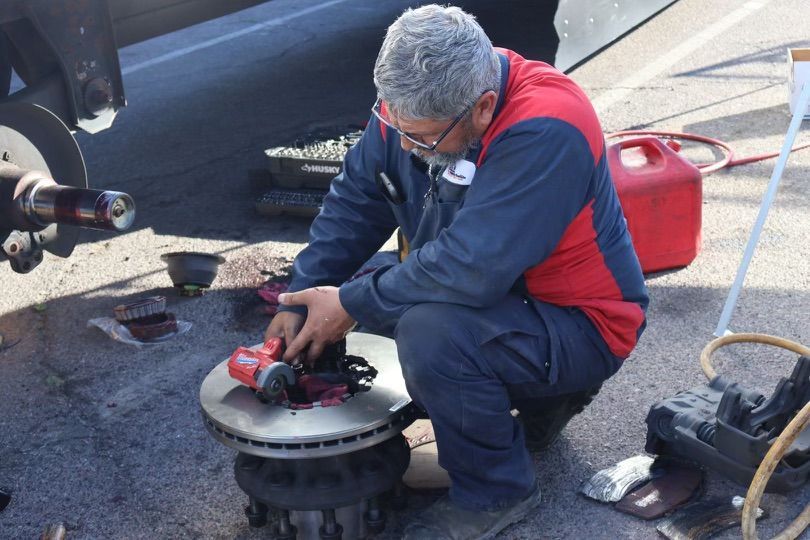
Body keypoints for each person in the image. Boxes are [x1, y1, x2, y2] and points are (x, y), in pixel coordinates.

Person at [265, 5, 648, 539]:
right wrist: (301, 294)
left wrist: (350, 305)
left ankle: (497, 490)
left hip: (580, 326)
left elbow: (472, 269)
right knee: (361, 299)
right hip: (498, 301)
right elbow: (357, 198)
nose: (402, 144)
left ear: (485, 107)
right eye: (394, 124)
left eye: (418, 137)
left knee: (428, 331)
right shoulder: (415, 108)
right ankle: (499, 408)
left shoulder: (548, 126)